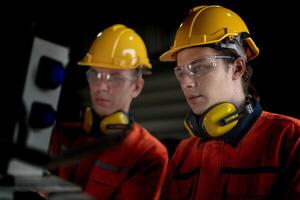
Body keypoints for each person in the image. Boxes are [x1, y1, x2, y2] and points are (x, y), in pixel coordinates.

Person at [159, 5, 300, 199]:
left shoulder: (289, 139)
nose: (186, 82)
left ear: (237, 68)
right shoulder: (183, 154)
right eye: (181, 72)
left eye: (199, 67)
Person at [48, 24, 168, 200]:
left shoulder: (149, 154)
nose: (101, 86)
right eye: (95, 74)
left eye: (115, 77)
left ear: (136, 87)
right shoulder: (62, 134)